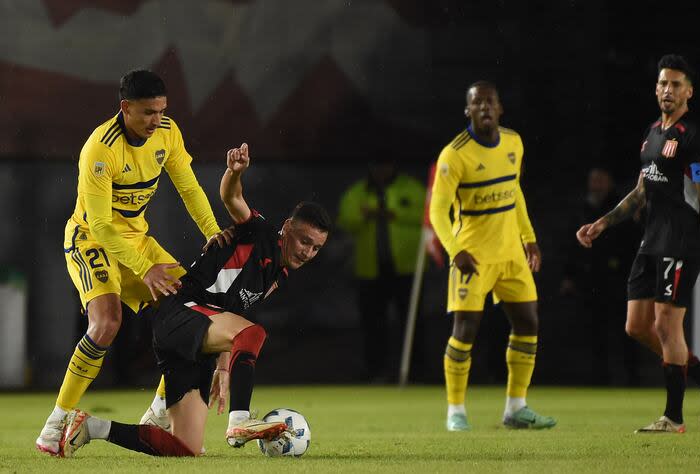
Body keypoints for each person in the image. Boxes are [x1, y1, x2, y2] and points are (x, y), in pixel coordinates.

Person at [58, 143, 331, 457]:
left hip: (190, 337)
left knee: (185, 447)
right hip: (180, 312)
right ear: (287, 228)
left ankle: (90, 427)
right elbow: (232, 198)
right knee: (254, 333)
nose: (307, 252)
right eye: (304, 241)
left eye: (315, 248)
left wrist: (224, 369)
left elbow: (231, 313)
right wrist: (234, 172)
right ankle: (239, 421)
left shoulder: (277, 276)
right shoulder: (261, 233)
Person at [36, 69, 228, 455]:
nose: (155, 120)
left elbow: (188, 185)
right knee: (107, 321)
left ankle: (156, 415)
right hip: (91, 238)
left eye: (160, 111)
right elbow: (103, 226)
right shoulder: (99, 150)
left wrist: (212, 231)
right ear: (125, 108)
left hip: (136, 239)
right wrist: (144, 267)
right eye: (146, 112)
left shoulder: (168, 132)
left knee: (193, 311)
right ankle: (56, 424)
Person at [576, 54, 700, 433]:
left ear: (689, 92)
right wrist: (603, 222)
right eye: (663, 83)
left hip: (681, 242)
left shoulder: (696, 136)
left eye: (676, 84)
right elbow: (641, 190)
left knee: (666, 327)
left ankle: (673, 417)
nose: (667, 89)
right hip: (651, 242)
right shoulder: (652, 133)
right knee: (636, 326)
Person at [429, 80, 556, 431]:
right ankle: (456, 410)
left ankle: (516, 408)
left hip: (511, 253)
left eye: (490, 102)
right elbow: (438, 212)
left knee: (528, 322)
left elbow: (513, 192)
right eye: (477, 103)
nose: (485, 108)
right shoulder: (454, 155)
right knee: (466, 330)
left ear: (500, 108)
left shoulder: (514, 143)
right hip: (473, 254)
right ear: (467, 111)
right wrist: (456, 251)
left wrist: (529, 238)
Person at [337, 158, 426, 382]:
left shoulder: (411, 188)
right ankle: (376, 371)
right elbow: (345, 220)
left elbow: (429, 215)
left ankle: (417, 372)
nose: (381, 169)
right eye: (376, 165)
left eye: (385, 164)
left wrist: (393, 213)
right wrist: (365, 215)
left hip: (406, 268)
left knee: (412, 322)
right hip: (370, 269)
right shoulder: (358, 192)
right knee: (373, 324)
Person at [561, 167, 641, 384]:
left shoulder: (622, 206)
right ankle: (600, 378)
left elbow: (631, 241)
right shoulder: (581, 208)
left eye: (601, 180)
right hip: (591, 279)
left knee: (628, 329)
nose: (596, 185)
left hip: (619, 277)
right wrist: (570, 275)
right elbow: (571, 245)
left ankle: (633, 377)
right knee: (596, 331)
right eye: (593, 180)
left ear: (610, 182)